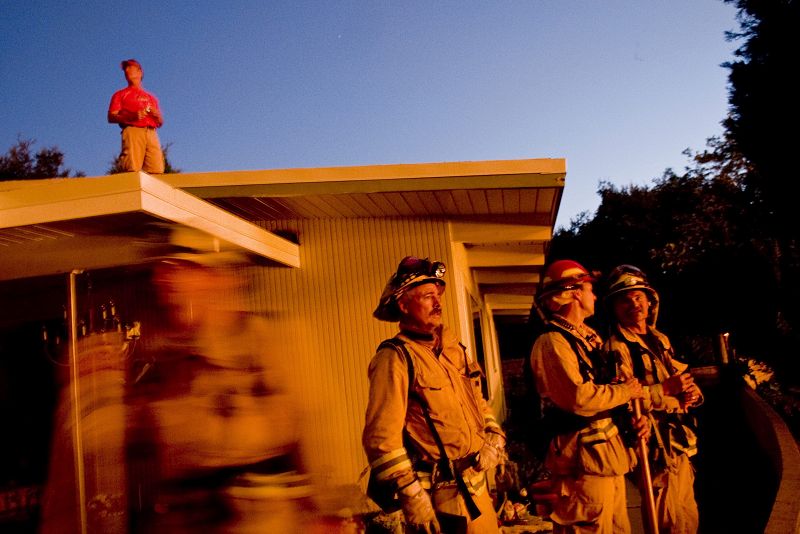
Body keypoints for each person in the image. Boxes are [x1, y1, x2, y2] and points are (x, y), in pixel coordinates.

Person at [128, 226, 313, 533]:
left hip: (266, 520)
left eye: (184, 269)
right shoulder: (163, 361)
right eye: (165, 271)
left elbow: (309, 433)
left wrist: (317, 510)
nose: (165, 282)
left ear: (222, 277)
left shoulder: (274, 343)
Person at [363, 256, 505, 533]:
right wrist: (409, 491)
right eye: (428, 296)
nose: (438, 303)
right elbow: (381, 437)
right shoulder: (395, 358)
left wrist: (494, 437)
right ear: (404, 305)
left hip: (476, 486)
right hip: (441, 498)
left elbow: (478, 401)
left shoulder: (454, 349)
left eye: (438, 295)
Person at [529, 259, 648, 534]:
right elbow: (578, 398)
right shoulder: (553, 343)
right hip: (582, 468)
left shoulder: (587, 337)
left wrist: (630, 421)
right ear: (573, 293)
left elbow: (606, 395)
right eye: (589, 289)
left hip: (607, 460)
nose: (594, 296)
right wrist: (625, 391)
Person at [602, 265, 702, 534]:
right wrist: (666, 392)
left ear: (650, 301)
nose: (633, 304)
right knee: (668, 520)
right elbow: (621, 400)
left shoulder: (660, 339)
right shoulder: (616, 348)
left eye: (638, 297)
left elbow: (681, 376)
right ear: (614, 308)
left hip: (679, 445)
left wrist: (693, 394)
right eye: (624, 299)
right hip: (655, 448)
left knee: (687, 516)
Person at [107, 58, 165, 173]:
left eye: (130, 67)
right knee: (131, 168)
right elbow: (111, 117)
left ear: (140, 72)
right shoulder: (120, 94)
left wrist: (157, 115)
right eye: (125, 69)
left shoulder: (151, 97)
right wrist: (131, 117)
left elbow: (160, 122)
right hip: (133, 130)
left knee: (157, 170)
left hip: (151, 132)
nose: (127, 70)